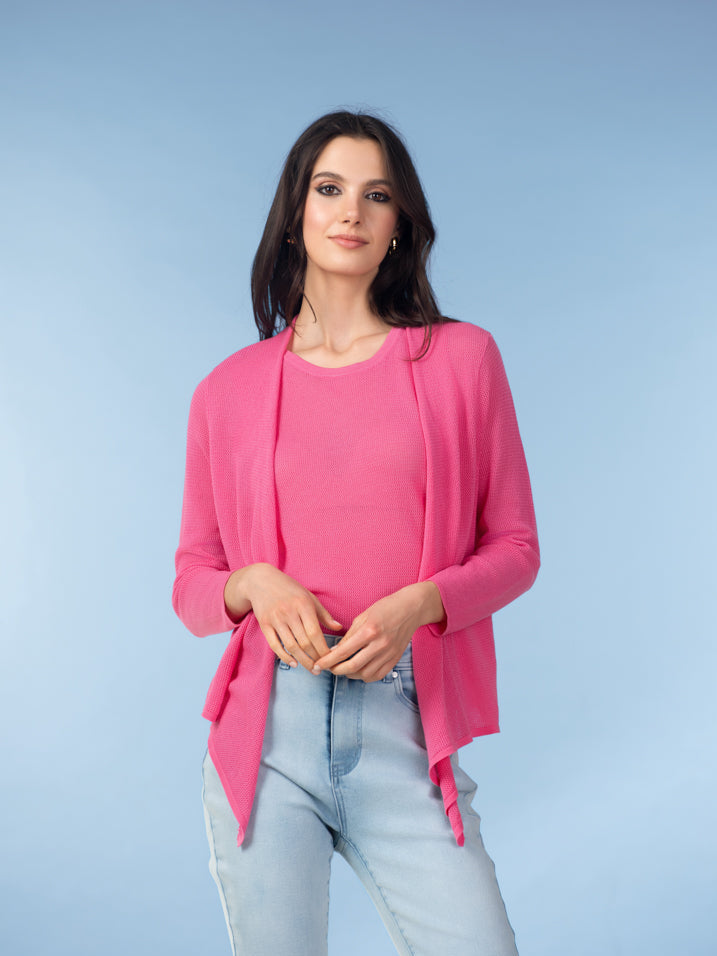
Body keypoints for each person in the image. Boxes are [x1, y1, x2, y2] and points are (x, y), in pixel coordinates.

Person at [172, 110, 540, 956]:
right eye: (329, 189)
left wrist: (421, 603)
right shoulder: (226, 391)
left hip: (404, 725)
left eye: (377, 195)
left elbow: (516, 549)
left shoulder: (459, 361)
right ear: (295, 214)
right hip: (268, 736)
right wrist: (251, 583)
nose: (351, 211)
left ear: (399, 224)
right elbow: (192, 580)